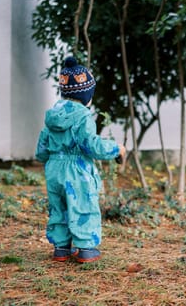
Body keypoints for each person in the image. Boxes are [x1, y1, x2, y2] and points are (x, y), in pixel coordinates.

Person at [35, 56, 125, 263]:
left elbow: (41, 149)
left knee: (59, 207)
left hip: (54, 169)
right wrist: (116, 149)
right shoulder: (83, 116)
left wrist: (50, 159)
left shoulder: (51, 117)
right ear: (86, 95)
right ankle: (85, 249)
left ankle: (61, 248)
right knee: (83, 205)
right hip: (77, 169)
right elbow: (90, 145)